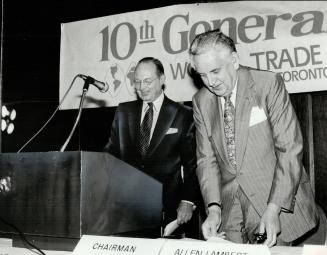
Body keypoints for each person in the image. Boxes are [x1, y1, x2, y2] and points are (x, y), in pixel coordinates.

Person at [189, 30, 318, 246]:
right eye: (202, 75)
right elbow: (206, 160)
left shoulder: (267, 83)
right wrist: (213, 208)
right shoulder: (201, 100)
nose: (210, 81)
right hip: (229, 209)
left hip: (274, 201)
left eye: (215, 71)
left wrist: (274, 207)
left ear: (234, 60)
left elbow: (290, 148)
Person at [104, 57, 200, 237]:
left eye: (147, 81)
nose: (141, 87)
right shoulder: (123, 111)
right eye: (137, 82)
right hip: (126, 207)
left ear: (162, 80)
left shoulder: (183, 114)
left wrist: (187, 200)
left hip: (167, 208)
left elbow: (191, 164)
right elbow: (111, 155)